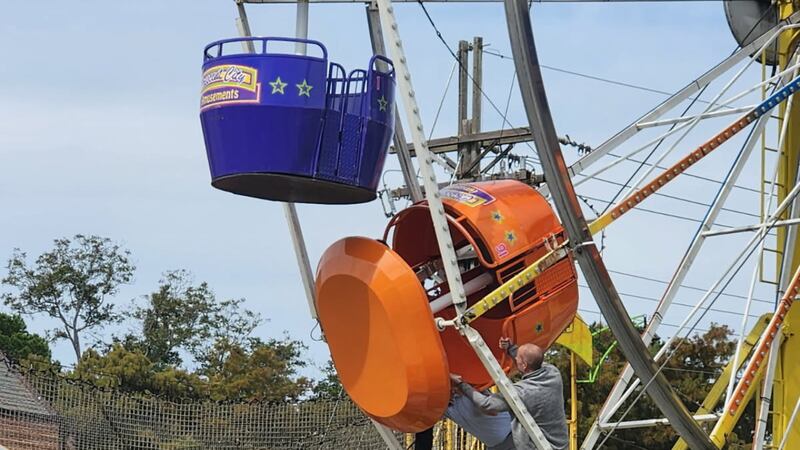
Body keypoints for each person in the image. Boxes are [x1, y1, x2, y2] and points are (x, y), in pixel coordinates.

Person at [450, 338, 568, 450]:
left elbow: (486, 404)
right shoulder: (553, 373)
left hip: (539, 445)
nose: (515, 358)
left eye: (517, 358)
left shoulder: (523, 393)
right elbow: (533, 360)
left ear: (524, 365)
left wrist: (461, 384)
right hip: (560, 445)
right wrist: (511, 348)